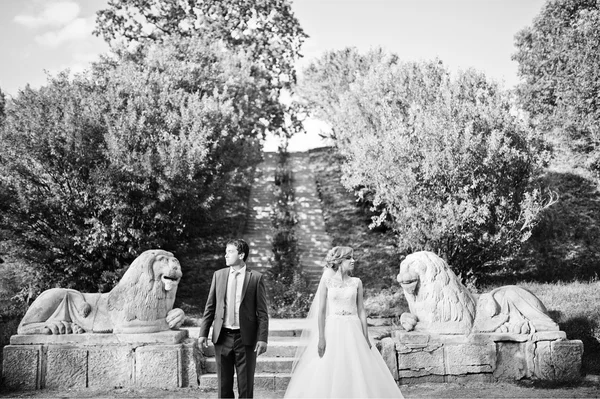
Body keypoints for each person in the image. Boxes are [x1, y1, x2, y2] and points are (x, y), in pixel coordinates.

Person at [284, 246, 404, 398]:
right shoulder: (327, 281)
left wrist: (365, 337)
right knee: (329, 367)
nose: (353, 260)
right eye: (349, 258)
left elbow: (361, 310)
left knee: (358, 367)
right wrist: (321, 338)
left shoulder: (357, 282)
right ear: (339, 261)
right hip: (333, 328)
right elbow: (320, 311)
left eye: (353, 257)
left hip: (353, 329)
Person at [198, 239, 269, 398]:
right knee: (223, 387)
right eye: (226, 251)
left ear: (241, 255)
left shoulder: (256, 278)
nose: (226, 255)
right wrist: (203, 333)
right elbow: (210, 306)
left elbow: (262, 313)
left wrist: (263, 338)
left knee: (245, 386)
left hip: (246, 339)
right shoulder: (219, 275)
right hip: (222, 337)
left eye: (230, 252)